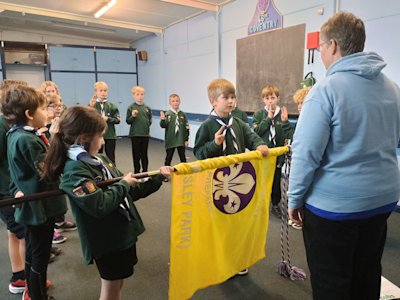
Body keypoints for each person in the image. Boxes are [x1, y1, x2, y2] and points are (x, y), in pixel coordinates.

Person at [288, 12, 400, 300]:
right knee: (367, 274)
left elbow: (305, 154)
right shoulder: (392, 88)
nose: (321, 54)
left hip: (334, 210)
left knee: (331, 283)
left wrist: (294, 199)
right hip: (381, 202)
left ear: (333, 46)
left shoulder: (324, 91)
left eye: (321, 48)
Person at [42, 106, 171, 300]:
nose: (103, 141)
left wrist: (158, 178)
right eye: (100, 136)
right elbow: (99, 205)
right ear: (84, 138)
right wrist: (124, 185)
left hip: (122, 234)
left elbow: (131, 191)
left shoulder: (98, 159)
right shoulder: (74, 171)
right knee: (110, 289)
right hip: (107, 240)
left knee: (117, 284)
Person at [193, 79, 268, 275]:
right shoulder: (208, 126)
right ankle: (220, 257)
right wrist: (215, 144)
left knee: (237, 219)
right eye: (225, 97)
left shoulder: (239, 123)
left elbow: (251, 137)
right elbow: (199, 153)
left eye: (232, 97)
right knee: (220, 222)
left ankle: (236, 257)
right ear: (213, 101)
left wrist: (259, 144)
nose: (230, 101)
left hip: (238, 179)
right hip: (217, 184)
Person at [2, 84, 67, 300]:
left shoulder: (16, 134)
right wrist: (57, 138)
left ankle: (34, 290)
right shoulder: (28, 140)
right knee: (39, 255)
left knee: (32, 252)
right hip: (40, 209)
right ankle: (37, 295)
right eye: (43, 109)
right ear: (30, 114)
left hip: (31, 206)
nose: (47, 113)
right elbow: (49, 171)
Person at [39, 81, 75, 243]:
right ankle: (52, 228)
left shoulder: (58, 121)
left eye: (60, 104)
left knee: (58, 194)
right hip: (47, 168)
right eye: (54, 105)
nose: (59, 107)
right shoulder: (42, 127)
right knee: (49, 197)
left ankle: (58, 221)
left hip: (58, 164)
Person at [252, 85, 291, 218]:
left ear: (278, 98)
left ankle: (275, 204)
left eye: (273, 98)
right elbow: (256, 132)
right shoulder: (258, 114)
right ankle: (260, 203)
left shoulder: (282, 114)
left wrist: (285, 122)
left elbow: (286, 134)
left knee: (276, 180)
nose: (270, 101)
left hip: (277, 154)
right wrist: (268, 118)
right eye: (267, 98)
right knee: (261, 179)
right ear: (263, 100)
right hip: (263, 154)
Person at [89, 81, 120, 164]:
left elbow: (117, 120)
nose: (103, 93)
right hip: (97, 135)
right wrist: (91, 107)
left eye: (105, 90)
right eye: (101, 90)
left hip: (110, 135)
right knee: (96, 156)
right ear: (96, 92)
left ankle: (113, 175)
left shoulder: (112, 106)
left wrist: (108, 119)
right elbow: (87, 119)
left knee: (111, 157)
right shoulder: (92, 105)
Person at [126, 86, 152, 173]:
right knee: (136, 155)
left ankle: (145, 171)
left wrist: (147, 124)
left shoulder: (147, 108)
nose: (140, 96)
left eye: (142, 94)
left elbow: (150, 120)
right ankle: (137, 171)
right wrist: (133, 116)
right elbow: (128, 121)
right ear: (133, 95)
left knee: (144, 154)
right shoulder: (131, 107)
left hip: (145, 134)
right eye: (138, 94)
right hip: (135, 135)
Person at [159, 93, 189, 167]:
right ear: (170, 103)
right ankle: (165, 174)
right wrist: (162, 120)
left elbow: (186, 128)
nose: (175, 103)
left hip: (180, 140)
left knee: (183, 158)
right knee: (168, 158)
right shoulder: (168, 114)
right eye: (173, 101)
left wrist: (186, 139)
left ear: (179, 102)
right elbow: (163, 125)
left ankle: (184, 173)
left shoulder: (182, 114)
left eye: (177, 101)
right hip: (170, 140)